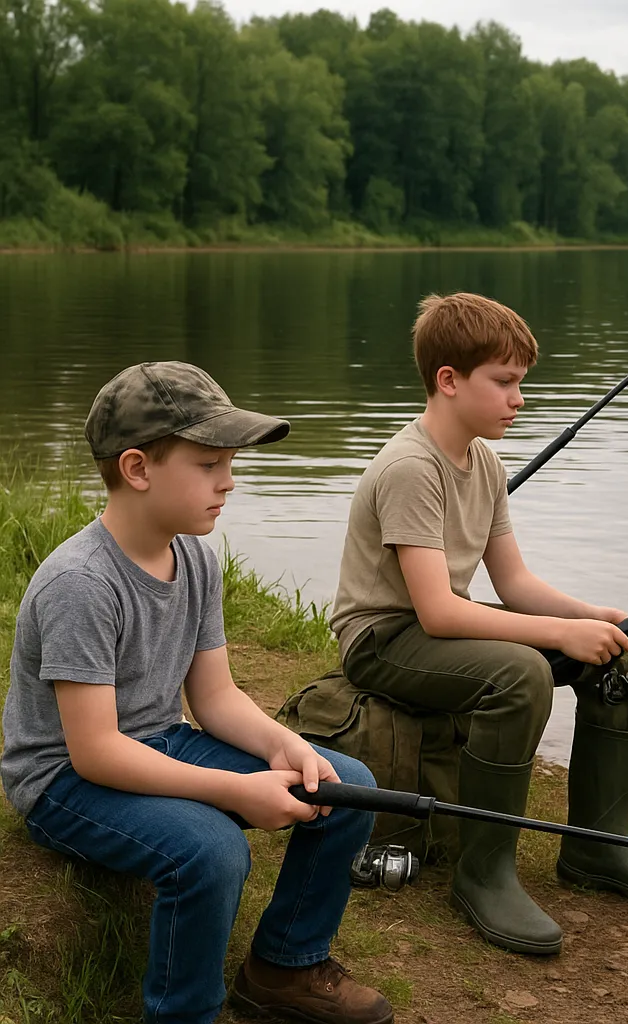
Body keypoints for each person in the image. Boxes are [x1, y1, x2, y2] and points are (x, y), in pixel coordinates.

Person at [0, 362, 393, 1024]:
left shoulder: (196, 555)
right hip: (64, 779)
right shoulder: (81, 583)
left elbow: (214, 697)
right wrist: (236, 791)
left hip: (158, 739)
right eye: (210, 463)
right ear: (136, 468)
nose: (229, 480)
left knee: (343, 783)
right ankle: (185, 1011)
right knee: (212, 850)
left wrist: (287, 747)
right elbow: (94, 751)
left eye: (230, 463)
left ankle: (284, 968)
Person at [329, 292, 628, 957]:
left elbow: (514, 584)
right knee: (522, 673)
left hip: (437, 627)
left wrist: (595, 618)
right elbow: (437, 612)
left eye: (519, 383)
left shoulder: (484, 461)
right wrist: (557, 636)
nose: (518, 399)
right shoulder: (412, 467)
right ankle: (483, 873)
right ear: (449, 381)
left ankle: (597, 850)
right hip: (383, 638)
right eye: (504, 382)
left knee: (626, 646)